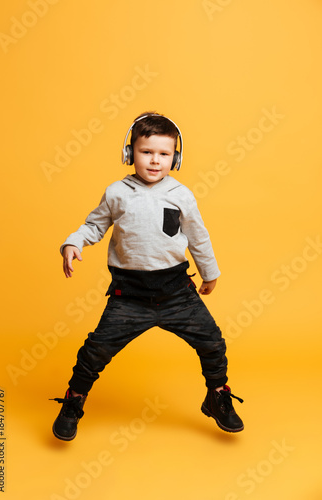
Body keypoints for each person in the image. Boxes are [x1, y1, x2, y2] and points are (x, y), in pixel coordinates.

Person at [51, 112, 244, 441]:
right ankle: (74, 401)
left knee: (212, 342)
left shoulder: (181, 194)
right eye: (146, 152)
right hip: (129, 297)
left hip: (177, 294)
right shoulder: (117, 192)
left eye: (164, 154)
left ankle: (216, 395)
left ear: (175, 157)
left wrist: (209, 273)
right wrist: (73, 242)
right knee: (95, 351)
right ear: (130, 153)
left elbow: (198, 237)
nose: (155, 161)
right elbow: (95, 225)